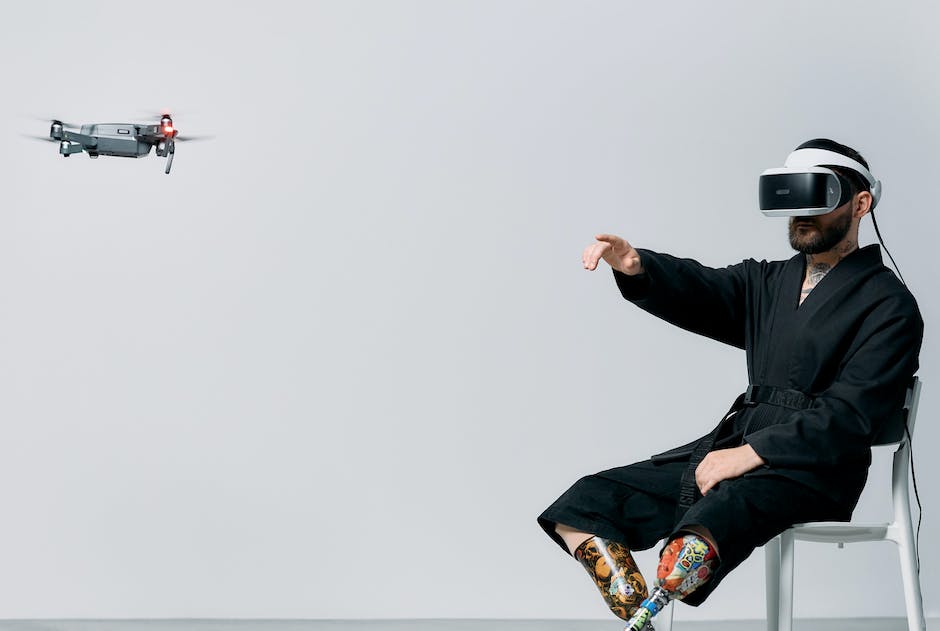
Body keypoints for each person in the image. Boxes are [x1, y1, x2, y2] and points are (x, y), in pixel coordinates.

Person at [537, 139, 923, 627]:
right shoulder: (766, 282)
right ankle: (641, 616)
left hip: (811, 468)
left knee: (695, 544)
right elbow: (703, 289)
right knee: (584, 502)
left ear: (860, 203)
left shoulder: (891, 307)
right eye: (792, 201)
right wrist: (639, 268)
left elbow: (850, 415)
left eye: (817, 200)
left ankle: (665, 589)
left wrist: (750, 456)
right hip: (730, 447)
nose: (801, 215)